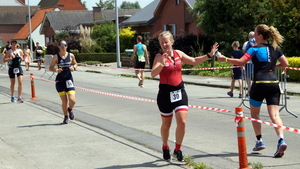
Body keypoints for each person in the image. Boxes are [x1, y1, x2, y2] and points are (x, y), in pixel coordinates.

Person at [217, 24, 289, 158]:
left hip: (259, 83)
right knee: (275, 115)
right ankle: (281, 140)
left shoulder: (254, 48)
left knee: (255, 114)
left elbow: (240, 62)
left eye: (255, 33)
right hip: (274, 83)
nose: (253, 36)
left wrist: (225, 59)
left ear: (260, 35)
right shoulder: (275, 48)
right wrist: (272, 66)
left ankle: (259, 140)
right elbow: (286, 64)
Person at [151, 31, 218, 161]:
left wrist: (209, 55)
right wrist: (163, 63)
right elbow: (153, 74)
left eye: (166, 42)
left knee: (182, 122)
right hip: (165, 94)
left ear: (172, 42)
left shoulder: (178, 54)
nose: (164, 45)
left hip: (179, 92)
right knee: (166, 124)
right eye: (162, 43)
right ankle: (165, 146)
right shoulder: (159, 57)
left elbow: (193, 61)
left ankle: (178, 149)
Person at [49, 40, 78, 124]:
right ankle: (65, 116)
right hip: (60, 81)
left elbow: (75, 63)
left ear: (66, 46)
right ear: (59, 46)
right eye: (61, 45)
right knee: (64, 101)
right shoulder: (56, 57)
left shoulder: (71, 55)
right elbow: (50, 68)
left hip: (69, 80)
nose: (63, 46)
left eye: (64, 45)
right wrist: (56, 70)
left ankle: (70, 109)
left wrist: (74, 67)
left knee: (72, 100)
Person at [242, 31, 257, 97]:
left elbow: (244, 52)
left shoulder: (246, 43)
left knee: (247, 76)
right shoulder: (257, 43)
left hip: (248, 62)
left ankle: (249, 89)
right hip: (256, 62)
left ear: (248, 37)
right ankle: (256, 89)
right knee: (256, 76)